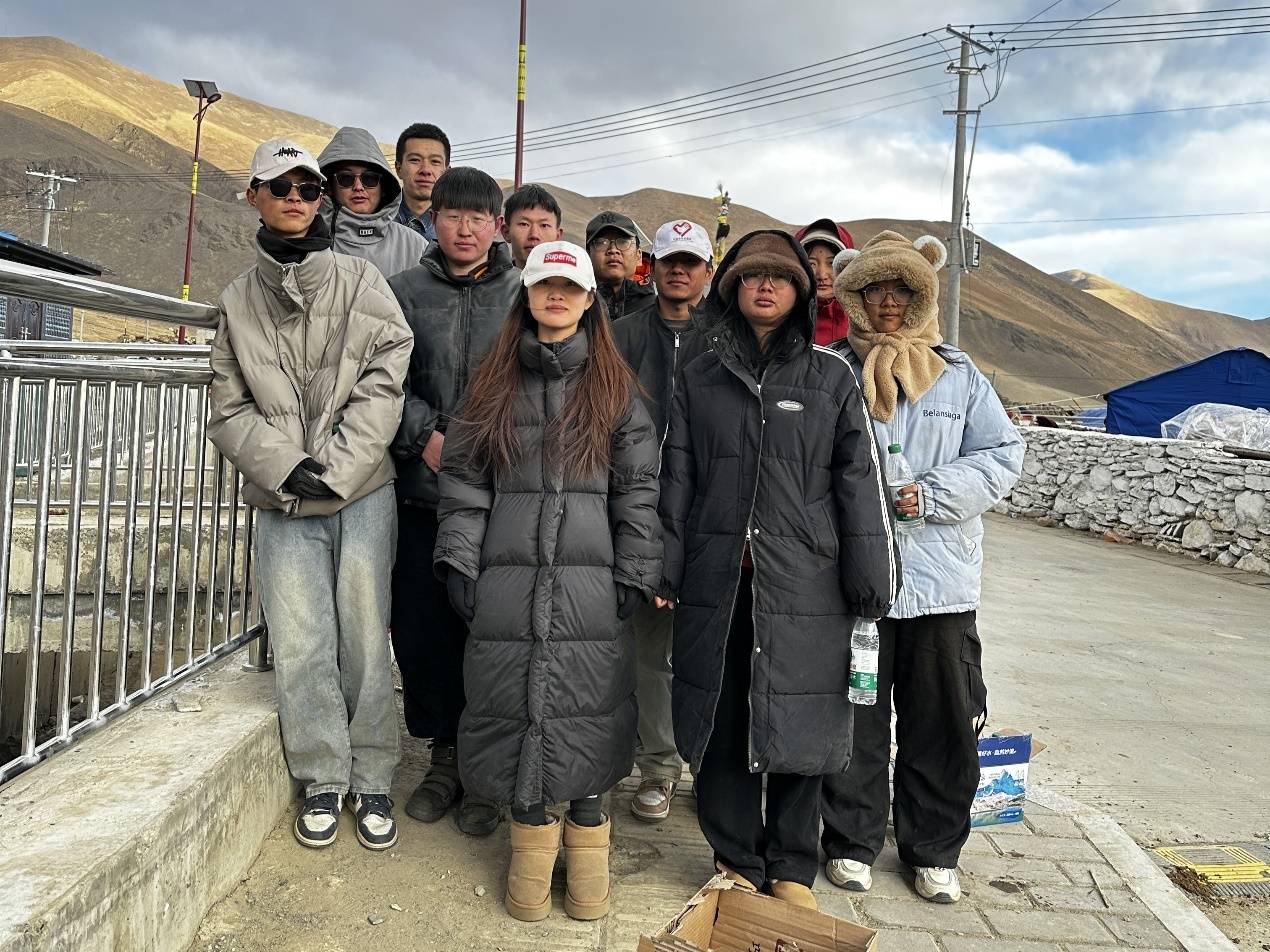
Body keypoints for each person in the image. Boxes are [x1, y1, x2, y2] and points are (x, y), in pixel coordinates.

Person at [657, 230, 899, 908]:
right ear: (732, 289)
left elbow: (860, 481)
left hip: (807, 582)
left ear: (800, 293)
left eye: (781, 278)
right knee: (723, 715)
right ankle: (735, 857)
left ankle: (792, 866)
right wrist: (666, 568)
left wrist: (871, 578)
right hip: (721, 578)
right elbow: (676, 477)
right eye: (752, 277)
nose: (765, 287)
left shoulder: (832, 377)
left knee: (806, 716)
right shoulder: (700, 376)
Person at [434, 240, 661, 922]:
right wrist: (459, 559)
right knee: (511, 700)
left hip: (592, 585)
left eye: (570, 287)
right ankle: (529, 845)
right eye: (543, 285)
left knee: (590, 702)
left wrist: (635, 568)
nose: (556, 296)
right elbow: (465, 483)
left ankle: (589, 846)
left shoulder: (617, 390)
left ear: (590, 300)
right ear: (527, 294)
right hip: (507, 581)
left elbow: (638, 489)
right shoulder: (491, 383)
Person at [207, 138, 413, 852]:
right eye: (280, 187)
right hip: (283, 499)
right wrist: (286, 467)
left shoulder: (361, 281)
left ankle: (374, 773)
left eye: (307, 187)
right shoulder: (237, 299)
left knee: (365, 633)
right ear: (254, 196)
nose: (296, 198)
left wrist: (340, 468)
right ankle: (324, 775)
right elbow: (229, 407)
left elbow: (387, 376)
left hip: (363, 493)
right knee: (300, 639)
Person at [821, 230, 1024, 904]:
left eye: (902, 290)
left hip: (941, 585)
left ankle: (933, 849)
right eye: (874, 289)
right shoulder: (832, 371)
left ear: (923, 295)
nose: (888, 302)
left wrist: (930, 494)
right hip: (854, 579)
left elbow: (1002, 455)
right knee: (855, 714)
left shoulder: (959, 376)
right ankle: (849, 840)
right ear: (854, 295)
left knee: (942, 719)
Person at [387, 166, 521, 838]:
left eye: (478, 218)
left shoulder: (523, 294)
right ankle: (444, 757)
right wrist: (424, 437)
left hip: (503, 499)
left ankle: (486, 768)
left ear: (497, 225)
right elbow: (380, 379)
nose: (464, 230)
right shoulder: (401, 292)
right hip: (424, 492)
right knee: (425, 630)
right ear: (431, 220)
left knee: (491, 634)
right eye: (451, 216)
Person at [610, 218, 714, 823]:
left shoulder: (725, 339)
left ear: (707, 272)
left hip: (709, 517)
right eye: (669, 259)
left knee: (712, 650)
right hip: (637, 510)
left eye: (690, 262)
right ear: (653, 266)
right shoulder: (620, 334)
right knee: (649, 651)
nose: (679, 270)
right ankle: (658, 767)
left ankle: (713, 768)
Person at [317, 126, 426, 278]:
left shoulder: (415, 246)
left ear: (384, 187)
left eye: (369, 178)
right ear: (329, 186)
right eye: (346, 178)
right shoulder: (309, 240)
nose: (358, 187)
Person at [794, 218, 855, 345]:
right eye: (811, 264)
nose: (822, 275)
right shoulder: (781, 319)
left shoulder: (865, 320)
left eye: (832, 263)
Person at [585, 211, 655, 321]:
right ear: (588, 255)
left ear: (639, 255)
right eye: (601, 242)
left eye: (623, 242)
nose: (613, 250)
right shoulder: (575, 308)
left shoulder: (660, 309)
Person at [394, 122, 450, 242]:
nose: (425, 170)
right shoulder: (377, 220)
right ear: (398, 169)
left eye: (435, 161)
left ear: (446, 172)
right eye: (415, 160)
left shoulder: (459, 228)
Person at [501, 182, 564, 268]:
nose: (534, 235)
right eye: (524, 224)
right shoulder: (490, 277)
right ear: (506, 232)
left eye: (544, 225)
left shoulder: (573, 276)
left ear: (557, 236)